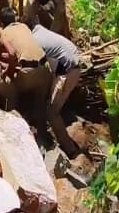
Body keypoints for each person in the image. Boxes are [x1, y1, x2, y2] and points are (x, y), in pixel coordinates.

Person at [28, 19, 80, 156]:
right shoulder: (40, 29)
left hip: (67, 71)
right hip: (73, 62)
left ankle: (70, 150)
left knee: (51, 112)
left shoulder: (34, 41)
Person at [0, 7, 52, 126]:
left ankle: (13, 120)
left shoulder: (4, 33)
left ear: (1, 23)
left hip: (29, 73)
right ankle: (39, 120)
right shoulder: (24, 26)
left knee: (8, 83)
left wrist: (10, 71)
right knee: (39, 102)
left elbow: (10, 54)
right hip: (46, 68)